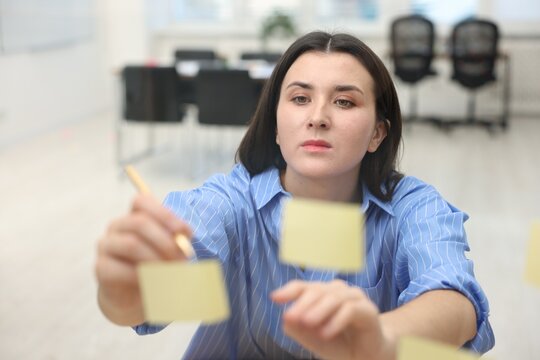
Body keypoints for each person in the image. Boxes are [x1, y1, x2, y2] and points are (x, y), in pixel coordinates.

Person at [95, 31, 495, 359]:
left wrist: (381, 340)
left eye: (344, 101)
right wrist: (124, 288)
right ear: (274, 124)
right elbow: (144, 302)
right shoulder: (234, 199)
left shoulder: (413, 206)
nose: (317, 117)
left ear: (378, 133)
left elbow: (456, 302)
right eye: (300, 98)